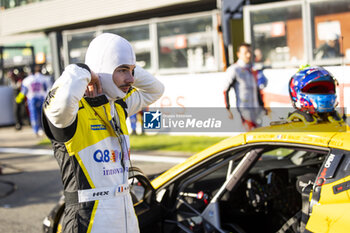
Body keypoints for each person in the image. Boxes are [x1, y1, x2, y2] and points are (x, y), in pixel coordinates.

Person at [42, 33, 164, 233]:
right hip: (89, 218)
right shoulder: (71, 112)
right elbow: (62, 101)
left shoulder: (118, 106)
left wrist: (125, 65)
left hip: (125, 215)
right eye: (123, 70)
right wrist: (88, 70)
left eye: (132, 71)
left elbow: (156, 89)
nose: (131, 79)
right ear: (102, 70)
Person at [223, 43, 266, 131]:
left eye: (250, 52)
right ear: (238, 54)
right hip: (243, 110)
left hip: (256, 110)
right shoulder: (234, 69)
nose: (249, 55)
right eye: (246, 52)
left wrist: (262, 106)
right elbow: (225, 89)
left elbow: (257, 90)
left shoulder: (254, 69)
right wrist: (228, 109)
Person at [16, 65, 51, 136]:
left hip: (32, 99)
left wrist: (18, 99)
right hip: (41, 98)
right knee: (42, 115)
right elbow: (47, 89)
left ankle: (36, 130)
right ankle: (42, 129)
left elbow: (23, 91)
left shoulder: (27, 80)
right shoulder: (43, 78)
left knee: (34, 115)